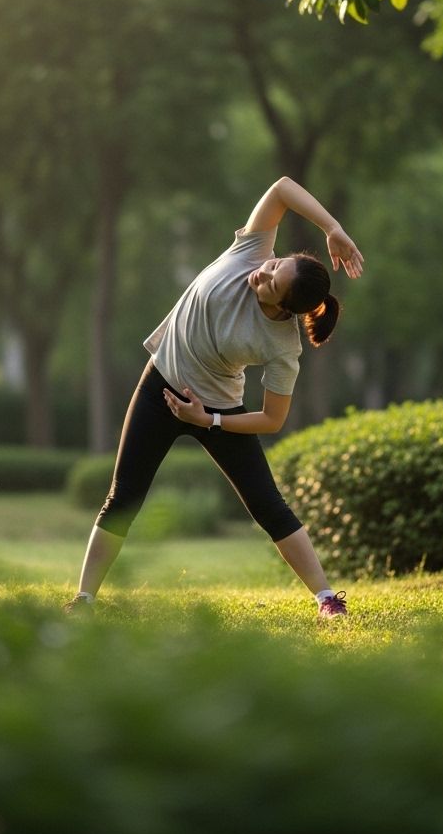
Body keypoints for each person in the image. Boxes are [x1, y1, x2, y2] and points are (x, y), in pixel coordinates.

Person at [66, 177, 364, 619]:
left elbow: (271, 418)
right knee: (124, 494)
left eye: (270, 284)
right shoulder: (251, 253)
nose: (261, 274)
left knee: (268, 505)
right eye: (274, 265)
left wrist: (211, 421)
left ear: (283, 309)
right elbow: (282, 189)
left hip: (217, 408)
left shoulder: (282, 345)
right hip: (160, 385)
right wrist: (332, 227)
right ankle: (84, 600)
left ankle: (326, 600)